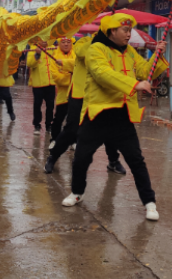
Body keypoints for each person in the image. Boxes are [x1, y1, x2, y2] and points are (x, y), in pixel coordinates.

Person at [61, 13, 168, 222]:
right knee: (82, 157)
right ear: (111, 31)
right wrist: (134, 85)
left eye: (130, 30)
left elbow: (146, 71)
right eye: (125, 30)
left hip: (122, 114)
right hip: (97, 114)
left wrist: (156, 55)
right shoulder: (95, 49)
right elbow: (103, 73)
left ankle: (149, 202)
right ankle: (77, 192)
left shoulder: (130, 52)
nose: (129, 34)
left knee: (136, 160)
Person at [44, 35, 126, 176]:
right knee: (71, 129)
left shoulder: (112, 48)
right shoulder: (84, 42)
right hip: (79, 93)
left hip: (100, 94)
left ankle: (113, 161)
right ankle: (53, 157)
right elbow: (80, 55)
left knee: (107, 128)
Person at [48, 37, 75, 149]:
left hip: (76, 94)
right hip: (63, 94)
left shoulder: (76, 56)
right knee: (58, 119)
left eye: (68, 42)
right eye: (63, 42)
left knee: (74, 120)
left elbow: (80, 68)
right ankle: (54, 139)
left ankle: (74, 141)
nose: (66, 44)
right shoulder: (54, 57)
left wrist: (67, 70)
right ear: (59, 43)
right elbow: (57, 77)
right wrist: (71, 75)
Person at [27, 40, 56, 135]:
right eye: (41, 39)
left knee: (50, 105)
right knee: (37, 105)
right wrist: (37, 55)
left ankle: (49, 124)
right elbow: (30, 64)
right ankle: (37, 125)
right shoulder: (33, 48)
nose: (44, 41)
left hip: (50, 82)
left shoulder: (53, 48)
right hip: (38, 83)